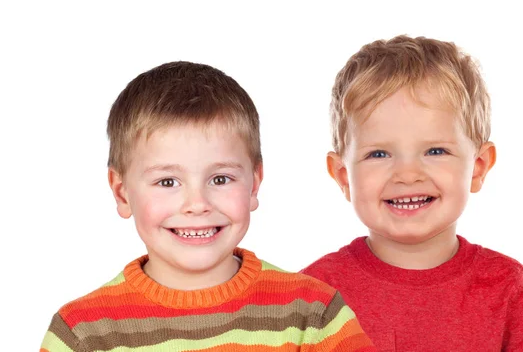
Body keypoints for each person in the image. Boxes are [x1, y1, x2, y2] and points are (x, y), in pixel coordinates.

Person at [40, 61, 375, 351]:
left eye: (220, 179)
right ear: (122, 193)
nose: (197, 204)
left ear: (254, 183)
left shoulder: (313, 314)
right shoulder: (82, 334)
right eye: (167, 182)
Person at [302, 35, 523, 351]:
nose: (408, 174)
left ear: (478, 167)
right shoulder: (312, 295)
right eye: (379, 154)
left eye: (436, 150)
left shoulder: (509, 290)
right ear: (343, 175)